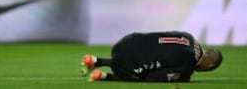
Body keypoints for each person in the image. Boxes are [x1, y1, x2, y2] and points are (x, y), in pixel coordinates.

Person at [80, 31, 223, 82]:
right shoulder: (187, 66)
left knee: (144, 58)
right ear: (209, 66)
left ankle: (97, 65)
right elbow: (155, 77)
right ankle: (98, 64)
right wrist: (182, 78)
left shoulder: (189, 36)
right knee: (143, 76)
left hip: (128, 39)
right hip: (127, 61)